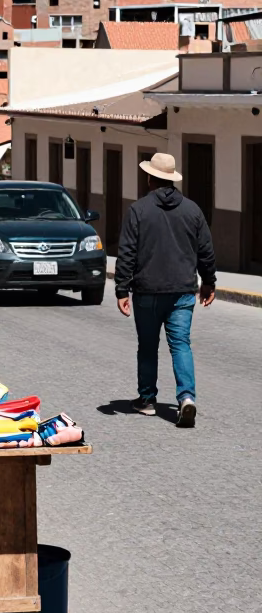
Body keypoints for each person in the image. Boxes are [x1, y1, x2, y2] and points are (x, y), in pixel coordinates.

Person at [115, 152, 216, 428]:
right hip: (182, 291)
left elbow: (127, 253)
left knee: (148, 346)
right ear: (171, 179)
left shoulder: (138, 210)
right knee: (180, 344)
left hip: (147, 291)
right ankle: (186, 398)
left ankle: (147, 400)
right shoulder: (192, 210)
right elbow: (206, 250)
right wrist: (209, 282)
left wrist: (121, 289)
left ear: (150, 178)